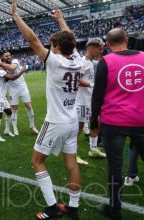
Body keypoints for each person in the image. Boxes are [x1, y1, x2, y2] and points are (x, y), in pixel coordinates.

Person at [12, 2, 83, 219]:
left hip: (55, 122)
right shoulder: (77, 59)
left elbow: (32, 39)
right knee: (71, 163)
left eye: (52, 45)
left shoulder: (55, 62)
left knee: (37, 161)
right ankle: (73, 207)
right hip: (72, 121)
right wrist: (61, 19)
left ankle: (52, 208)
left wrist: (16, 16)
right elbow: (70, 38)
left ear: (58, 48)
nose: (50, 48)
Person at [91, 28, 144, 220]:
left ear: (107, 44)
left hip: (114, 122)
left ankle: (115, 210)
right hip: (141, 119)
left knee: (114, 167)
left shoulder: (106, 61)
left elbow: (97, 96)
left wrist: (93, 122)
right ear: (127, 40)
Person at [75, 38, 106, 166]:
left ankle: (93, 149)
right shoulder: (83, 62)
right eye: (100, 48)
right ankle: (73, 154)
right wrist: (93, 85)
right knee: (78, 129)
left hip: (91, 100)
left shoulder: (90, 62)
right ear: (92, 49)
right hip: (82, 101)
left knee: (96, 123)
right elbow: (76, 79)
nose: (102, 50)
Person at [0, 52, 39, 136]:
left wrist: (0, 63)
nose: (9, 57)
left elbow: (12, 67)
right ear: (3, 57)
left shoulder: (15, 61)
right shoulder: (2, 67)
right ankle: (15, 128)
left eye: (9, 55)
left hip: (22, 86)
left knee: (28, 105)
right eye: (6, 56)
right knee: (14, 109)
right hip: (12, 89)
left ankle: (32, 126)